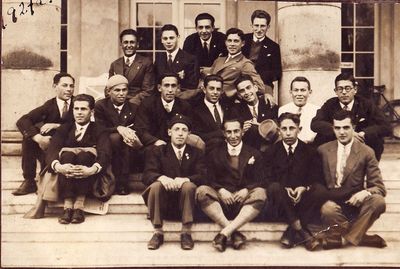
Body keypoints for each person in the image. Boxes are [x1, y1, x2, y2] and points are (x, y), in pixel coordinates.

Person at [313, 110, 387, 249]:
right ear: (333, 129)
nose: (342, 132)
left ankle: (344, 240)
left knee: (378, 201)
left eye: (346, 127)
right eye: (337, 128)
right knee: (327, 209)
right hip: (332, 204)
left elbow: (379, 188)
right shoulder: (323, 150)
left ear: (354, 127)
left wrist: (365, 193)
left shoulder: (366, 151)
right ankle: (359, 237)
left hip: (355, 204)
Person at [196, 118, 266, 252]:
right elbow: (206, 177)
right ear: (223, 133)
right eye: (229, 132)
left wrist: (247, 189)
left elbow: (263, 178)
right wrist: (220, 189)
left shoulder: (254, 153)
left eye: (236, 131)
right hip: (221, 201)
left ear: (242, 132)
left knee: (261, 193)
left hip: (244, 202)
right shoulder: (214, 153)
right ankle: (233, 233)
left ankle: (224, 234)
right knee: (202, 191)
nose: (233, 136)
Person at [142, 114, 206, 250]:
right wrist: (162, 178)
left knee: (188, 186)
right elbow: (147, 174)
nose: (180, 133)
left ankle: (186, 232)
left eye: (184, 130)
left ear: (189, 133)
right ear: (169, 132)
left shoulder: (196, 152)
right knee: (155, 186)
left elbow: (204, 176)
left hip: (187, 204)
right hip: (164, 203)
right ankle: (158, 232)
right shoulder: (158, 151)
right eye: (176, 129)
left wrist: (185, 179)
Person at [46, 94, 111, 224]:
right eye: (76, 109)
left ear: (91, 112)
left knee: (84, 155)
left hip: (90, 172)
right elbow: (52, 149)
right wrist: (58, 166)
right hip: (65, 168)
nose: (79, 113)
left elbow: (105, 152)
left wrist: (92, 169)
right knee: (67, 155)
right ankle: (68, 206)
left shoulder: (99, 129)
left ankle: (79, 206)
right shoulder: (65, 128)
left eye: (83, 109)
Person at [263, 113, 322, 251]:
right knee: (274, 187)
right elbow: (266, 178)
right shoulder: (270, 152)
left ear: (299, 129)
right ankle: (303, 232)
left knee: (319, 189)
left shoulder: (310, 151)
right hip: (280, 202)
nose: (288, 133)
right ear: (279, 130)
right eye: (284, 129)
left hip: (303, 200)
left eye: (292, 128)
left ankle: (291, 231)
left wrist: (304, 188)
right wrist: (285, 189)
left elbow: (317, 177)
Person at [13, 72, 75, 196]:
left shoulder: (79, 103)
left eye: (71, 86)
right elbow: (23, 120)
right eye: (65, 85)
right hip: (50, 146)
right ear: (55, 86)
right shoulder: (49, 105)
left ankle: (47, 181)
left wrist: (57, 125)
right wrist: (38, 138)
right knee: (29, 138)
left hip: (71, 144)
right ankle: (29, 180)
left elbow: (86, 124)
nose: (69, 89)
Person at [311, 72, 391, 160]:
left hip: (360, 145)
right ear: (336, 91)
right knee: (320, 138)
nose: (344, 92)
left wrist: (364, 133)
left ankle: (369, 168)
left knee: (377, 140)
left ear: (355, 89)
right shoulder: (330, 104)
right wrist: (343, 132)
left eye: (347, 88)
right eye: (340, 89)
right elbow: (315, 123)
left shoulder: (366, 104)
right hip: (336, 145)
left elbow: (386, 126)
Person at [94, 75, 142, 195]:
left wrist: (129, 133)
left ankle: (122, 182)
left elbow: (138, 127)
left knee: (124, 140)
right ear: (109, 91)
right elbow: (100, 128)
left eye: (124, 90)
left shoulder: (134, 107)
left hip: (128, 146)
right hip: (106, 143)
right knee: (115, 138)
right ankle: (118, 182)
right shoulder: (101, 106)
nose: (121, 93)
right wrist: (119, 128)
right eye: (117, 90)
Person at [135, 73, 192, 147]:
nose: (170, 90)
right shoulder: (147, 104)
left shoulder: (184, 106)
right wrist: (155, 141)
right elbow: (141, 130)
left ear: (178, 88)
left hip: (177, 145)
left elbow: (189, 129)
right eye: (166, 85)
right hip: (154, 145)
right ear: (159, 88)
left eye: (173, 86)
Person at [210, 28, 265, 99]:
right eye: (229, 41)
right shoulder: (219, 60)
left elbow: (260, 87)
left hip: (227, 101)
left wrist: (236, 92)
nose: (232, 44)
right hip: (211, 97)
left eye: (236, 41)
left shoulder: (245, 63)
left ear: (242, 43)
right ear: (226, 42)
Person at [108, 29, 155, 105]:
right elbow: (108, 88)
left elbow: (148, 91)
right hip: (117, 104)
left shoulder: (146, 63)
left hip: (137, 104)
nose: (129, 46)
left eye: (132, 42)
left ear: (137, 44)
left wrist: (129, 104)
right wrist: (114, 103)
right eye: (126, 42)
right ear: (121, 44)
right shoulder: (115, 64)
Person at [232, 74, 278, 151]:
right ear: (239, 95)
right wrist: (241, 131)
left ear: (255, 88)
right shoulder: (236, 110)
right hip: (249, 150)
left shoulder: (268, 104)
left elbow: (277, 128)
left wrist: (260, 126)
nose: (246, 92)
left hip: (270, 148)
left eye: (248, 88)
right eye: (242, 91)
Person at [155, 24, 200, 99]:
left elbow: (192, 87)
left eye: (171, 38)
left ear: (178, 37)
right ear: (162, 40)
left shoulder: (190, 59)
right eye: (165, 38)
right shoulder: (159, 58)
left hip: (182, 100)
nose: (168, 41)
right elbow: (156, 83)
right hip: (161, 100)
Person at [242, 10, 282, 95]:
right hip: (242, 83)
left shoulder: (273, 46)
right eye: (256, 25)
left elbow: (277, 73)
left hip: (264, 84)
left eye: (262, 26)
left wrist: (257, 79)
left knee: (267, 104)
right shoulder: (243, 40)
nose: (259, 30)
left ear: (268, 27)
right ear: (251, 26)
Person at [192, 75, 234, 152]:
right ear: (204, 90)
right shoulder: (195, 109)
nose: (215, 92)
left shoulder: (227, 105)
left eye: (218, 89)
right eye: (211, 88)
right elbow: (197, 135)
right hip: (210, 149)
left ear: (222, 91)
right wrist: (221, 133)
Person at [278, 76, 320, 144]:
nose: (299, 94)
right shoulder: (283, 109)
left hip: (311, 147)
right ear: (290, 92)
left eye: (303, 90)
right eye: (296, 90)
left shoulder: (317, 110)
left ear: (310, 92)